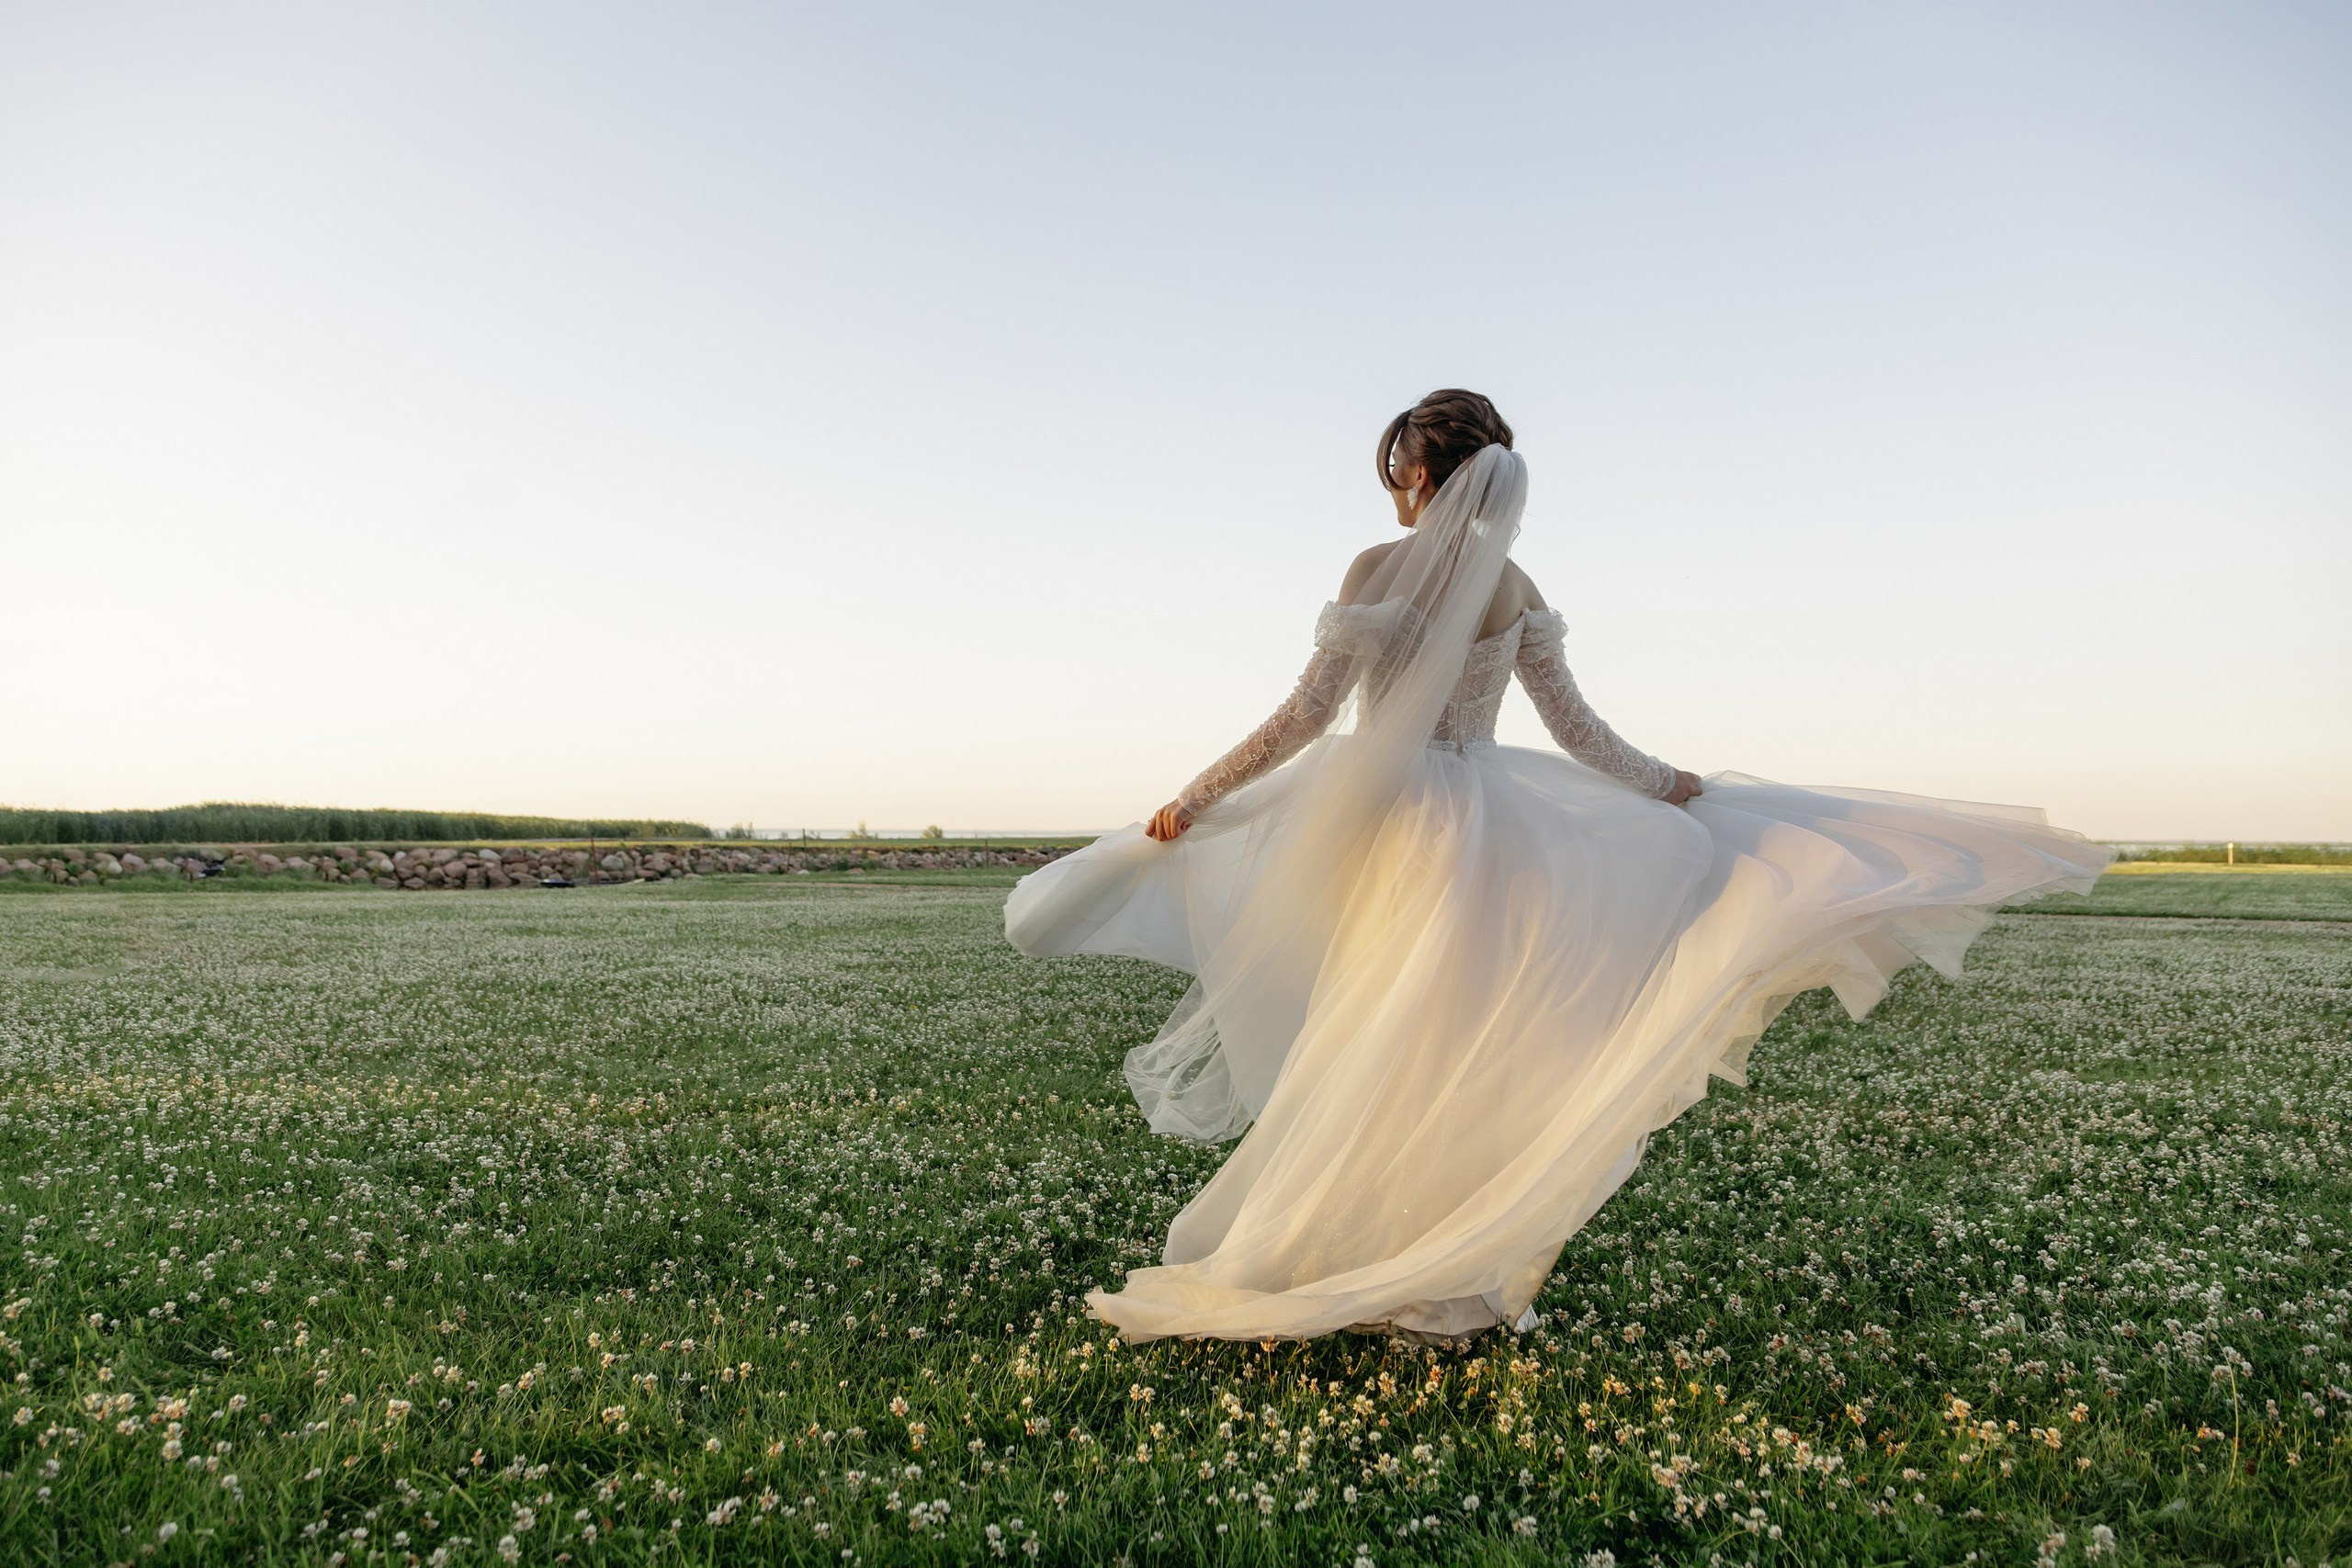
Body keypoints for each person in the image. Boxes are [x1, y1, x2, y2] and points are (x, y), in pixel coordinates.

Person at [1005, 389, 2109, 1344]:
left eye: (1400, 475)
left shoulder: (1376, 566)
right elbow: (1582, 736)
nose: (1397, 496)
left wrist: (1194, 799)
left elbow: (1306, 714)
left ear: (1423, 471)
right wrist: (1680, 789)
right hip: (1488, 830)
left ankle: (1343, 1260)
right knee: (1446, 1050)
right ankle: (1440, 1284)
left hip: (1391, 830)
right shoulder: (1516, 587)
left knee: (1371, 1042)